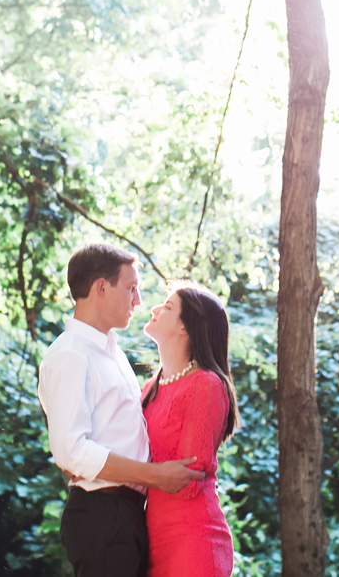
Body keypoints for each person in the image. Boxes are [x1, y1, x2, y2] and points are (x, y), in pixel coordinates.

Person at [38, 243, 206, 577]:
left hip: (126, 513)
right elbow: (70, 450)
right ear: (101, 287)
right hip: (104, 514)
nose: (138, 300)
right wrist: (156, 476)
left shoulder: (110, 351)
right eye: (131, 288)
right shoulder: (71, 354)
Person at [140, 282, 240, 577]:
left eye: (168, 307)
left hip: (193, 540)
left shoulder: (206, 384)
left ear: (186, 327)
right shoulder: (149, 388)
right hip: (151, 538)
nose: (155, 309)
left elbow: (189, 478)